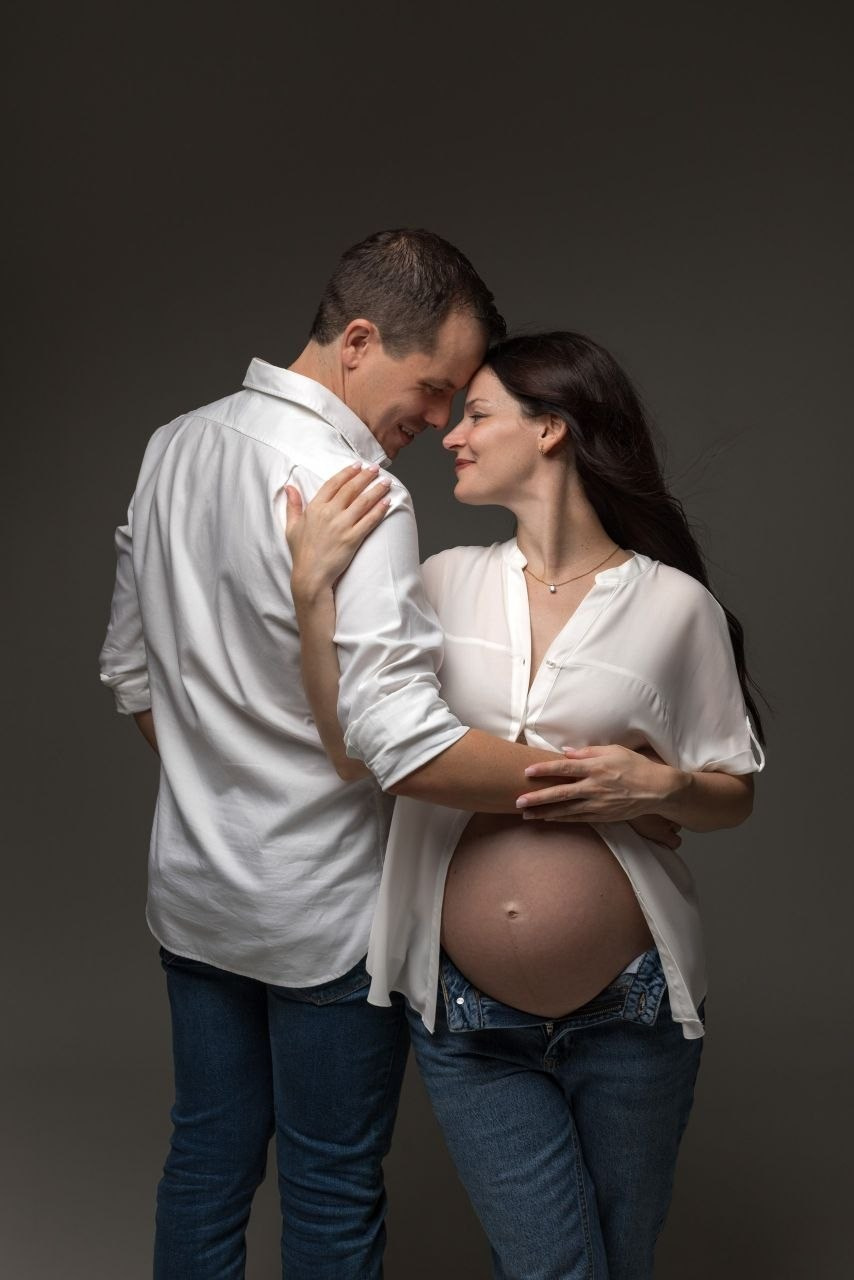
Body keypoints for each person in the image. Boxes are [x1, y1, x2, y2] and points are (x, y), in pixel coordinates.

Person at [98, 229, 681, 1279]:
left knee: (205, 1159)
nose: (437, 422)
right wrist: (610, 781)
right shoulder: (359, 490)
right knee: (328, 1182)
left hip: (193, 896)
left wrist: (220, 776)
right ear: (357, 340)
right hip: (325, 914)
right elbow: (404, 746)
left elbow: (132, 678)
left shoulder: (171, 446)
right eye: (432, 389)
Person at [284, 330, 766, 1280]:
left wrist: (660, 786)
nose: (451, 435)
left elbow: (732, 794)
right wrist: (312, 598)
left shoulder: (676, 607)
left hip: (637, 1011)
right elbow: (354, 753)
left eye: (477, 414)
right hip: (469, 1017)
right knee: (555, 1268)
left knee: (616, 1264)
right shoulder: (440, 582)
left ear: (552, 429)